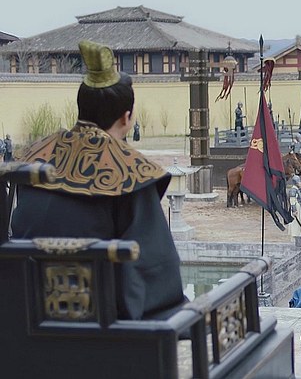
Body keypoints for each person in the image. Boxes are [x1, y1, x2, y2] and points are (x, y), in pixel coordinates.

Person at [11, 40, 186, 320]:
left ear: (81, 109)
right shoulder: (130, 173)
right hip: (100, 325)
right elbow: (155, 273)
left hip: (25, 314)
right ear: (127, 118)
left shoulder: (36, 158)